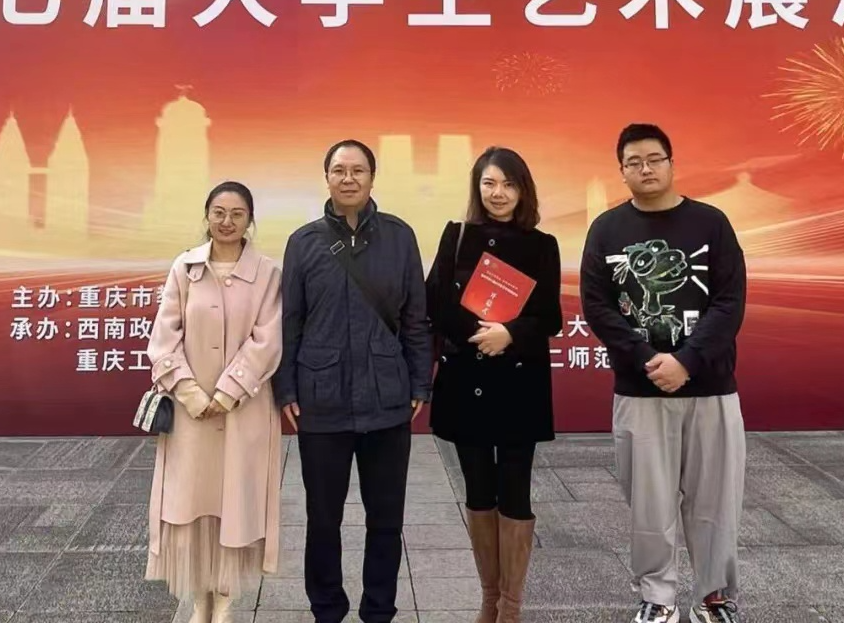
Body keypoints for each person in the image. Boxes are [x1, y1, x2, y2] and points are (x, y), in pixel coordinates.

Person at [579, 124, 747, 623]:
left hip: (710, 388)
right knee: (649, 504)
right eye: (634, 162)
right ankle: (658, 597)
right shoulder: (606, 230)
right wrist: (647, 359)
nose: (645, 169)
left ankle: (715, 597)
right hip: (641, 388)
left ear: (672, 164)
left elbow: (729, 302)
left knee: (715, 501)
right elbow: (598, 306)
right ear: (622, 171)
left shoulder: (711, 223)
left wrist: (687, 361)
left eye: (654, 159)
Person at [272, 139, 431, 623]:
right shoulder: (304, 242)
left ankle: (379, 610)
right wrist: (286, 389)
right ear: (326, 178)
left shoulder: (400, 237)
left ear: (372, 178)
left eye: (357, 170)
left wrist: (419, 384)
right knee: (323, 519)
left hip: (387, 399)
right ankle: (327, 609)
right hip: (321, 401)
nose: (348, 178)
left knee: (386, 518)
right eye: (339, 170)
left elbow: (416, 318)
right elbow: (289, 322)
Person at [425, 147, 562, 623]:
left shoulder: (542, 244)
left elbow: (550, 317)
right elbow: (435, 301)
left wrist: (509, 334)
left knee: (515, 490)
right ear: (477, 187)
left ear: (523, 190)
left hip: (519, 385)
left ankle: (512, 607)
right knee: (479, 489)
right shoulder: (457, 235)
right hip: (467, 380)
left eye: (508, 184)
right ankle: (489, 599)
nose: (497, 193)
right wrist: (479, 334)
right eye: (489, 183)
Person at [145, 181, 284, 623]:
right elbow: (163, 339)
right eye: (219, 212)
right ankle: (199, 597)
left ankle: (224, 599)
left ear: (250, 220)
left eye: (237, 214)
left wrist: (226, 393)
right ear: (206, 216)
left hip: (244, 412)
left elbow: (268, 340)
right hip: (191, 415)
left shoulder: (267, 273)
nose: (227, 222)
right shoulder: (184, 268)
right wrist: (191, 393)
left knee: (235, 501)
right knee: (193, 501)